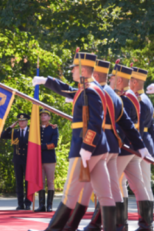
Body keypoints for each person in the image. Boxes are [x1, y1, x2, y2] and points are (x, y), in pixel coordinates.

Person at [33, 52, 116, 231]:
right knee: (105, 195)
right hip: (98, 149)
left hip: (85, 149)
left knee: (70, 193)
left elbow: (94, 123)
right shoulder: (88, 89)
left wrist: (86, 147)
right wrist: (45, 81)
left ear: (84, 70)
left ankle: (53, 229)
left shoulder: (90, 91)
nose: (72, 72)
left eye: (74, 69)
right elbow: (68, 90)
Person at [63, 61, 149, 231]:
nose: (111, 81)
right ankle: (118, 225)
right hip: (124, 146)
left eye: (113, 78)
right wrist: (141, 146)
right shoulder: (121, 96)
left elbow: (123, 124)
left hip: (114, 146)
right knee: (117, 188)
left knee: (99, 188)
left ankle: (88, 224)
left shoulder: (104, 93)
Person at [130, 67, 154, 230]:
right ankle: (147, 219)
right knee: (142, 182)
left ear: (136, 82)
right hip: (144, 143)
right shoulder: (143, 98)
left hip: (140, 144)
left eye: (131, 80)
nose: (128, 83)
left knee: (143, 183)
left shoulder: (140, 100)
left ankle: (147, 220)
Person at [0, 113, 31, 210]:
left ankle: (28, 204)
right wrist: (10, 127)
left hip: (28, 160)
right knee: (19, 183)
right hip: (17, 160)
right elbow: (2, 135)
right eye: (20, 121)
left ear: (27, 122)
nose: (21, 122)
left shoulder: (32, 131)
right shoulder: (15, 132)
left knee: (28, 183)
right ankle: (20, 204)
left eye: (23, 121)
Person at [34, 109, 58, 213]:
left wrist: (39, 147)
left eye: (45, 115)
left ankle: (49, 206)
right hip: (38, 159)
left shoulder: (53, 128)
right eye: (42, 115)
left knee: (50, 182)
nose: (43, 117)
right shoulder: (36, 129)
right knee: (41, 182)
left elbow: (53, 144)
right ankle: (41, 205)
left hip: (49, 159)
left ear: (49, 117)